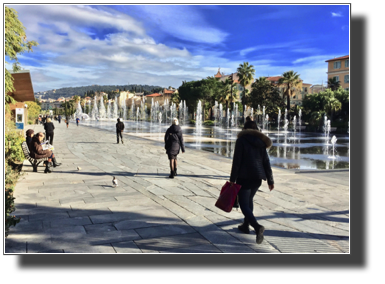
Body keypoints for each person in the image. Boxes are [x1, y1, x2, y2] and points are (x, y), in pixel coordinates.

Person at [229, 120, 274, 244]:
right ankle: (245, 225)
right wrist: (270, 180)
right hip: (258, 177)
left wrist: (232, 179)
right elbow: (266, 162)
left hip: (244, 176)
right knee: (249, 201)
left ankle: (257, 226)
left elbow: (237, 161)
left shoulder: (241, 141)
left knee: (243, 204)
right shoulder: (261, 143)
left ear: (244, 128)